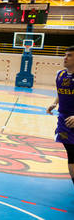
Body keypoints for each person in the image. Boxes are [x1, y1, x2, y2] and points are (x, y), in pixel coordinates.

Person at [46, 46, 74, 186]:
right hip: (64, 120)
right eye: (65, 55)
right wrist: (54, 103)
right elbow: (61, 92)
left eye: (69, 55)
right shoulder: (60, 75)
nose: (65, 57)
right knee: (71, 155)